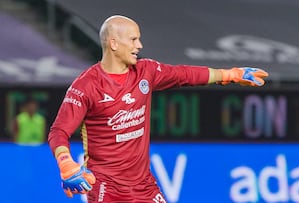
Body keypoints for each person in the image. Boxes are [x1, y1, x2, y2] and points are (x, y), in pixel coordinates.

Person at [48, 15, 268, 203]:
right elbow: (59, 131)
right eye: (133, 39)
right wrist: (65, 162)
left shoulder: (147, 71)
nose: (139, 45)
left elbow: (186, 75)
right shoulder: (86, 86)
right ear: (114, 43)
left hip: (144, 186)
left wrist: (230, 75)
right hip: (107, 188)